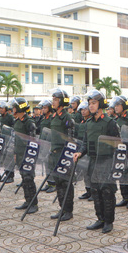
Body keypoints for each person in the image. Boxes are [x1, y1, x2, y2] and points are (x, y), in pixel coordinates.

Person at [74, 90, 121, 234]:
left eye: (93, 103)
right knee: (95, 191)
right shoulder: (88, 123)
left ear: (100, 104)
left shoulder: (110, 123)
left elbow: (118, 144)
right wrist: (80, 152)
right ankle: (100, 219)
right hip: (93, 162)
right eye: (89, 104)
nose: (91, 106)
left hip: (106, 162)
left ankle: (108, 221)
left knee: (107, 192)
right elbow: (85, 143)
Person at [49, 89, 76, 221]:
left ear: (61, 101)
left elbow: (71, 138)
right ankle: (62, 208)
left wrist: (68, 155)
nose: (53, 102)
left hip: (63, 154)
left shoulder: (67, 117)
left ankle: (68, 211)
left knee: (66, 183)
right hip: (54, 154)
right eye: (53, 99)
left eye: (55, 99)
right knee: (58, 183)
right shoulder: (54, 116)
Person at [10, 97, 39, 214]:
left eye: (14, 107)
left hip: (28, 155)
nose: (12, 109)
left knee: (29, 178)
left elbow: (33, 141)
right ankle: (27, 201)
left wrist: (30, 156)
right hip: (20, 154)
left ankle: (34, 204)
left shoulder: (29, 122)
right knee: (24, 179)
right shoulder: (17, 121)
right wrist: (15, 153)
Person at [110, 95, 128, 208]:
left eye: (118, 105)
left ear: (123, 106)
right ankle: (125, 197)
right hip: (119, 151)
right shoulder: (115, 119)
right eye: (115, 105)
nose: (115, 107)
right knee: (121, 174)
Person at [0, 101, 15, 183]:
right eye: (0, 108)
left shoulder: (10, 117)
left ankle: (10, 176)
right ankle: (6, 174)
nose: (1, 110)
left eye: (2, 108)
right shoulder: (0, 118)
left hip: (9, 141)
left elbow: (13, 129)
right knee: (5, 159)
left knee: (9, 158)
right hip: (3, 140)